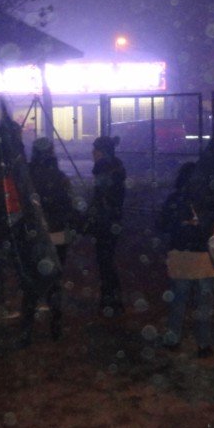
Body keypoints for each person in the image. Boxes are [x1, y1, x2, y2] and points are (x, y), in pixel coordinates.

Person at [157, 162, 214, 358]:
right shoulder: (208, 200)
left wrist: (183, 226)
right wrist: (193, 226)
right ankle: (203, 344)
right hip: (202, 258)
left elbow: (162, 225)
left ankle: (173, 339)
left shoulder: (177, 199)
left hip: (183, 256)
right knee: (202, 304)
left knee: (179, 301)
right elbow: (210, 230)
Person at [20, 137, 78, 345]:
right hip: (57, 236)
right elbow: (69, 208)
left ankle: (27, 330)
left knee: (31, 282)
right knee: (54, 281)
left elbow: (23, 208)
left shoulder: (27, 178)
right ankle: (55, 327)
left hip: (34, 237)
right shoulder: (60, 177)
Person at [88, 135, 126, 315]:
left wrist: (93, 214)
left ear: (102, 152)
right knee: (107, 260)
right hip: (112, 220)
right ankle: (111, 298)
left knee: (105, 261)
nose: (92, 152)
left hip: (105, 221)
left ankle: (110, 300)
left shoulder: (104, 168)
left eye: (95, 149)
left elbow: (101, 197)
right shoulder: (115, 167)